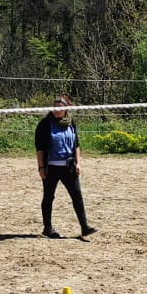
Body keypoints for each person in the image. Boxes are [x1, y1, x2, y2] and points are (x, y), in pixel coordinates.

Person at [34, 97, 96, 239]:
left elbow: (76, 145)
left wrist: (78, 163)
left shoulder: (71, 123)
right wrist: (41, 167)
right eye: (55, 108)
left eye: (60, 108)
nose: (57, 111)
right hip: (51, 167)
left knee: (77, 195)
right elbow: (40, 149)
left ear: (66, 109)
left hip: (69, 167)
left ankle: (84, 226)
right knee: (49, 197)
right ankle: (47, 228)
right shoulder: (45, 124)